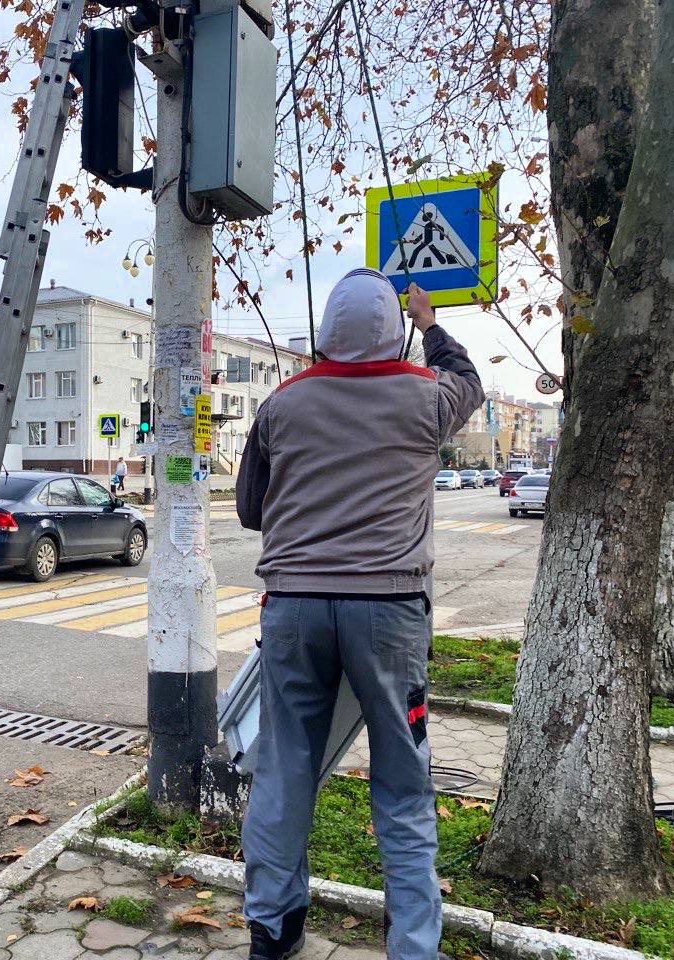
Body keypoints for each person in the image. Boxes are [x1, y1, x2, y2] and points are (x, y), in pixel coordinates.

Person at [235, 271, 483, 960]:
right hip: (390, 611)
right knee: (403, 781)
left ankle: (272, 931)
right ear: (392, 333)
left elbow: (251, 509)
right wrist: (429, 323)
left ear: (323, 335)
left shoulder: (280, 405)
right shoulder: (427, 396)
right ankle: (412, 946)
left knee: (283, 768)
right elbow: (467, 377)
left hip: (293, 608)